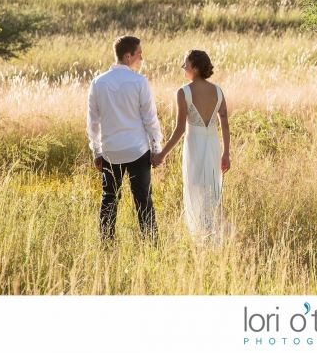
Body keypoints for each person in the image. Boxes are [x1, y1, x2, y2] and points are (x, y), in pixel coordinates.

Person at [86, 35, 163, 243]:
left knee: (109, 199)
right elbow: (150, 119)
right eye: (139, 55)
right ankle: (152, 245)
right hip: (138, 150)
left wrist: (97, 151)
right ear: (128, 56)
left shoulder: (97, 82)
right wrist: (157, 148)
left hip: (111, 152)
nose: (141, 58)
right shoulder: (139, 82)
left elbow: (93, 123)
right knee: (143, 200)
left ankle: (106, 244)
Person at [154, 49, 231, 239]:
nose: (182, 67)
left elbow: (180, 129)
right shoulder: (218, 91)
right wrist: (226, 153)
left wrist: (161, 155)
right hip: (213, 144)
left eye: (185, 64)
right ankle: (211, 232)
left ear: (195, 69)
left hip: (194, 145)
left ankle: (200, 235)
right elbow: (225, 125)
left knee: (195, 187)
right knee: (211, 187)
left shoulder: (183, 92)